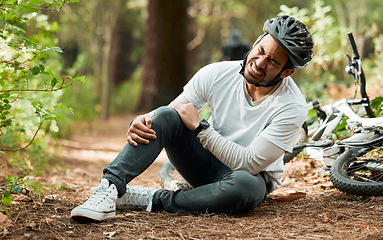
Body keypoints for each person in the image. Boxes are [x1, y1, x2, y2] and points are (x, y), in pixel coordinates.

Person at [71, 15, 314, 222]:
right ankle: (109, 189)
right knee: (166, 115)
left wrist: (200, 128)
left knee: (244, 186)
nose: (259, 63)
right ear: (256, 42)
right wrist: (144, 120)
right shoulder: (217, 73)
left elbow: (249, 164)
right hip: (203, 162)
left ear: (287, 72)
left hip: (246, 178)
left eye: (273, 61)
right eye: (261, 51)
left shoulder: (292, 107)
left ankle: (149, 198)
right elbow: (169, 114)